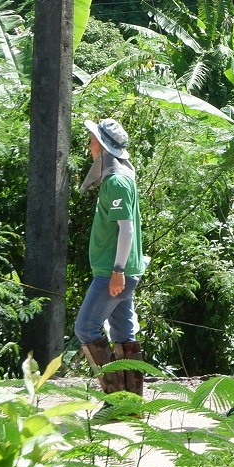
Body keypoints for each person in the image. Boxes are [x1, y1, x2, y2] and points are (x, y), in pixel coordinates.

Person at [76, 118, 145, 397]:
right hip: (119, 270)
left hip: (113, 272)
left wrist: (117, 270)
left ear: (103, 147)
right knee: (123, 335)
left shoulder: (116, 181)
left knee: (86, 328)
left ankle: (116, 398)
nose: (90, 146)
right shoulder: (118, 178)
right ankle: (131, 401)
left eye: (93, 141)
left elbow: (126, 229)